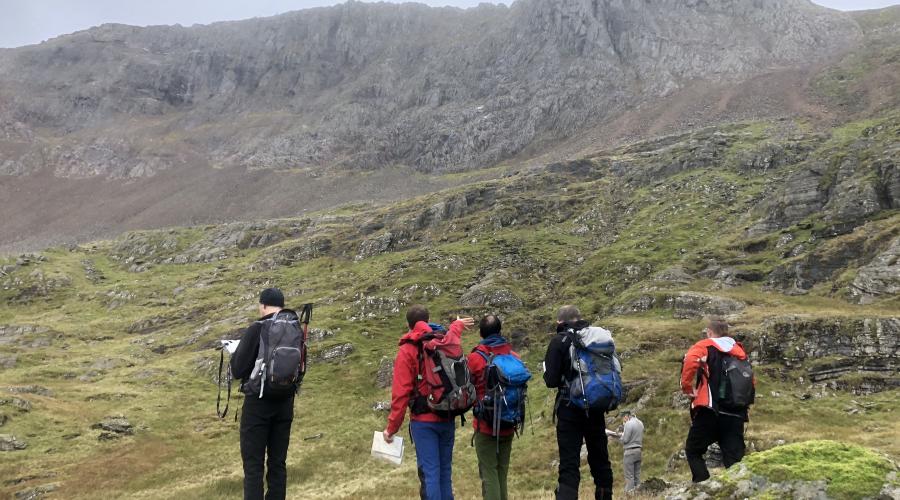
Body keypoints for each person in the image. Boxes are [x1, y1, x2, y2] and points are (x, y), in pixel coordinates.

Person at [382, 305, 474, 500]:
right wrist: (456, 324)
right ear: (428, 318)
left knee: (430, 474)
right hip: (447, 414)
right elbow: (454, 334)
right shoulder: (442, 339)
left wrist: (391, 429)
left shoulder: (408, 349)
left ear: (409, 325)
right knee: (445, 474)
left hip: (423, 422)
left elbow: (401, 394)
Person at [230, 288, 300, 500]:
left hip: (257, 405)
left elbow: (238, 370)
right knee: (278, 463)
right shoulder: (295, 328)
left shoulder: (257, 328)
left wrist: (235, 353)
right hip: (285, 402)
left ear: (263, 305)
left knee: (254, 466)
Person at [543, 305, 614, 500]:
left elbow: (551, 381)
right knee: (600, 459)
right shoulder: (596, 338)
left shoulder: (560, 341)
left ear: (560, 322)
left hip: (569, 408)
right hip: (595, 406)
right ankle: (605, 495)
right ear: (579, 318)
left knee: (569, 462)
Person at [680, 317, 751, 483]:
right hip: (735, 412)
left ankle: (702, 484)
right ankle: (737, 490)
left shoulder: (705, 345)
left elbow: (690, 361)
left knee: (693, 450)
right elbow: (750, 379)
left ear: (709, 332)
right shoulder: (739, 351)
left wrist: (687, 388)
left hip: (710, 409)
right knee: (734, 460)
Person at [467, 314, 519, 500]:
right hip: (509, 422)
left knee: (488, 474)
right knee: (501, 474)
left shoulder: (475, 358)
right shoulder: (513, 356)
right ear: (499, 331)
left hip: (486, 426)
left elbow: (467, 388)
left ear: (481, 333)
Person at [618, 410, 644, 494]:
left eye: (623, 417)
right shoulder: (640, 423)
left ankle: (629, 495)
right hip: (639, 451)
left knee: (630, 476)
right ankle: (638, 495)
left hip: (629, 451)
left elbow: (625, 440)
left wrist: (618, 436)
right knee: (637, 476)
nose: (623, 419)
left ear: (626, 416)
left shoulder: (628, 424)